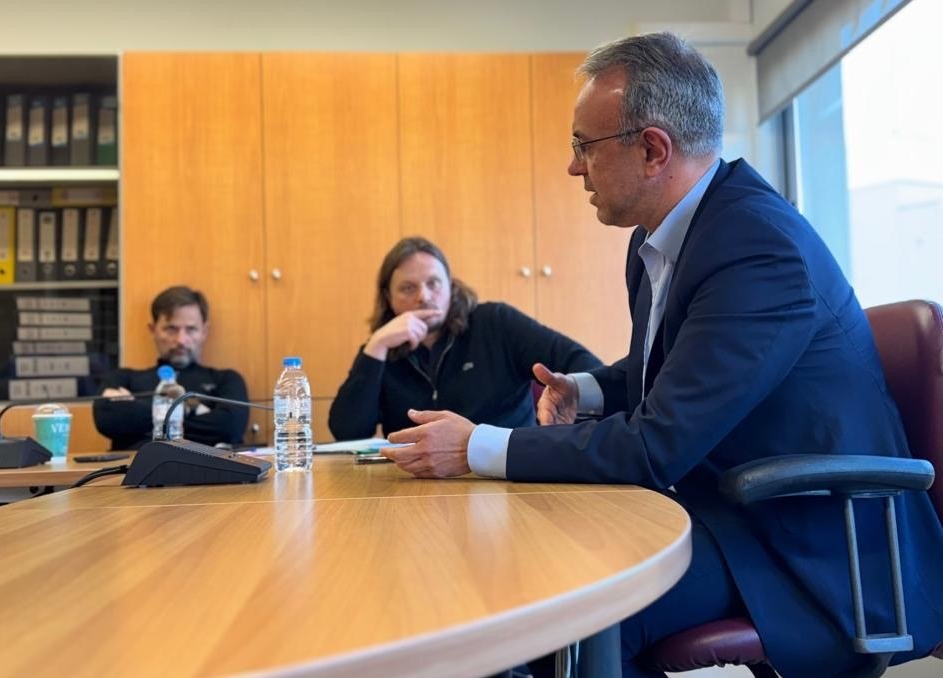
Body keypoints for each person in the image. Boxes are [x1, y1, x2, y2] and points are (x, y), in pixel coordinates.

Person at [381, 33, 943, 678]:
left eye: (584, 146)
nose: (573, 168)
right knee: (543, 580)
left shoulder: (757, 247)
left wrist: (477, 446)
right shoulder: (665, 238)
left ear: (652, 149)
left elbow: (657, 445)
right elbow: (678, 369)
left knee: (571, 613)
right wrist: (586, 388)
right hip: (730, 510)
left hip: (810, 539)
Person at [328, 236, 602, 440]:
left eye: (434, 283)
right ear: (389, 297)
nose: (423, 296)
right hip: (415, 482)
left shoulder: (496, 323)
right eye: (408, 288)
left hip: (505, 471)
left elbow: (585, 364)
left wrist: (565, 407)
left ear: (450, 286)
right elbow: (347, 432)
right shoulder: (382, 348)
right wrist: (376, 346)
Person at [93, 285, 249, 450]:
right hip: (138, 465)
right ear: (153, 330)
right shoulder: (123, 379)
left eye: (191, 329)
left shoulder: (226, 379)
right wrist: (192, 408)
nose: (181, 340)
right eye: (171, 329)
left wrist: (140, 412)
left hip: (206, 466)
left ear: (204, 331)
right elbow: (107, 419)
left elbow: (230, 428)